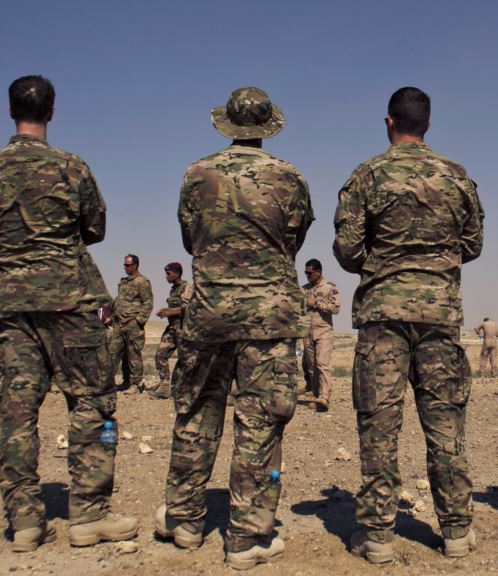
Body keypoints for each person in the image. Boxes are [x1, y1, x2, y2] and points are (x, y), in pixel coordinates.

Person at [0, 75, 136, 552]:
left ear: (10, 111)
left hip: (9, 301)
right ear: (52, 111)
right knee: (93, 403)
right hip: (68, 297)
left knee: (17, 412)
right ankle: (89, 513)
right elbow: (96, 227)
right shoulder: (70, 166)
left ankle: (25, 521)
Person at [155, 86, 312, 570]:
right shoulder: (289, 178)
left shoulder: (195, 174)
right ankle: (247, 537)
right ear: (266, 128)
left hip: (210, 310)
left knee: (197, 412)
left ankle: (183, 519)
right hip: (269, 314)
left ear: (226, 124)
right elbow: (294, 240)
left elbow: (189, 237)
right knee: (261, 421)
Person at [333, 87, 484, 562]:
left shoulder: (367, 175)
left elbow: (347, 250)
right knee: (445, 426)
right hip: (439, 314)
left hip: (383, 314)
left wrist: (385, 260)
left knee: (380, 425)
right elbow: (474, 243)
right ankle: (456, 532)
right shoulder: (455, 176)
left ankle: (377, 536)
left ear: (389, 122)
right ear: (428, 125)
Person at [105, 254, 152, 393]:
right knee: (113, 353)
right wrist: (111, 316)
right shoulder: (124, 282)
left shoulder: (142, 282)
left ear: (135, 266)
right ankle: (113, 383)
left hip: (132, 323)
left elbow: (148, 303)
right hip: (119, 323)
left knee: (133, 354)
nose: (124, 267)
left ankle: (135, 385)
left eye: (127, 265)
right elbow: (119, 301)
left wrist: (139, 321)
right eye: (124, 265)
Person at [301, 258, 339, 411]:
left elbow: (335, 309)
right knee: (312, 367)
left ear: (318, 272)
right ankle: (317, 396)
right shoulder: (304, 289)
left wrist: (316, 304)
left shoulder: (330, 288)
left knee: (323, 364)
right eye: (305, 273)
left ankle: (325, 397)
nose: (307, 276)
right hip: (307, 333)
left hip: (323, 332)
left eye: (309, 273)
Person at [150, 262, 189, 399]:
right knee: (161, 353)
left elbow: (190, 309)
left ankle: (184, 389)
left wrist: (170, 312)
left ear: (177, 274)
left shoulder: (186, 287)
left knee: (185, 359)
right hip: (172, 329)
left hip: (183, 329)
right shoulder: (173, 289)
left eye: (169, 273)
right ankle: (165, 386)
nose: (166, 276)